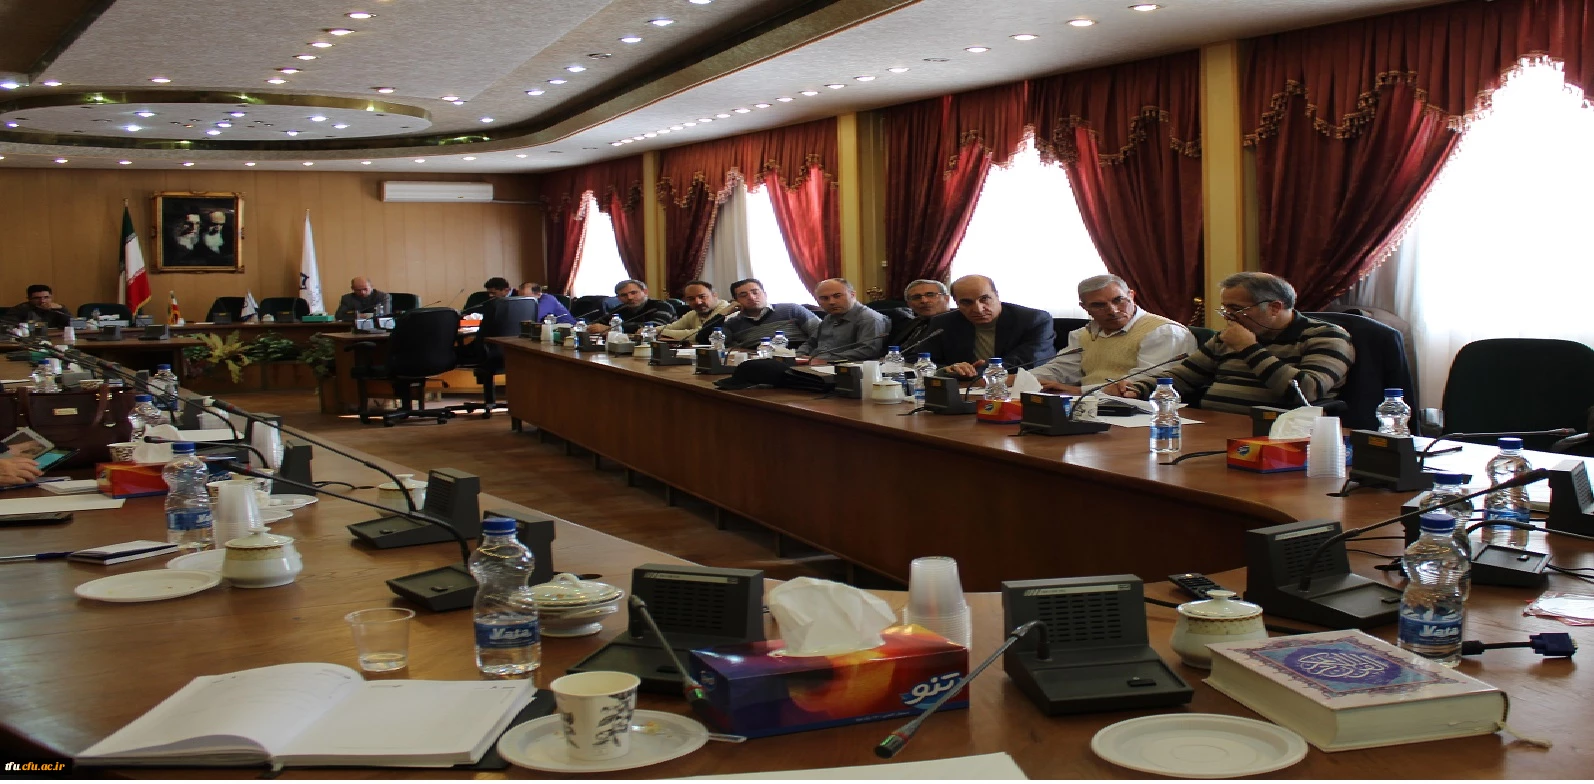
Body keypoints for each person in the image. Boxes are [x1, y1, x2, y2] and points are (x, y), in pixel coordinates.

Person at [1114, 272, 1354, 413]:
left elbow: (1307, 391)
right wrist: (1138, 388)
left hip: (1276, 434)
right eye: (1225, 309)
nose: (1228, 317)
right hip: (1212, 425)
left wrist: (1249, 348)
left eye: (1237, 309)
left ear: (1274, 307)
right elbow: (1184, 376)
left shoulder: (1326, 336)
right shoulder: (1229, 337)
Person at [1030, 274, 1197, 394]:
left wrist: (1077, 391)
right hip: (1090, 406)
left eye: (1118, 300)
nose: (1113, 310)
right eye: (1099, 305)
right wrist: (1023, 379)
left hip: (1146, 411)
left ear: (1131, 295)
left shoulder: (1164, 332)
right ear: (1085, 308)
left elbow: (1146, 382)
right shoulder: (1084, 334)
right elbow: (1060, 369)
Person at [919, 275, 1055, 379]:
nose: (978, 309)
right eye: (967, 302)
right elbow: (920, 360)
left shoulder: (1034, 320)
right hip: (962, 390)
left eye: (984, 299)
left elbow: (1025, 362)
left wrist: (971, 372)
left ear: (997, 295)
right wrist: (948, 369)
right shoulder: (943, 323)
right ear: (956, 302)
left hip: (1020, 387)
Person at [796, 278, 889, 364]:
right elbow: (811, 343)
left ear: (852, 295)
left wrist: (823, 359)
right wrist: (798, 356)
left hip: (843, 367)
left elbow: (867, 351)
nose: (831, 302)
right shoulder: (829, 317)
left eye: (837, 296)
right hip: (814, 364)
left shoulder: (869, 318)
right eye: (824, 298)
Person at [708, 278, 818, 348]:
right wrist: (723, 313)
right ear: (735, 301)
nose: (751, 297)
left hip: (798, 357)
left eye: (755, 292)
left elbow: (821, 333)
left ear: (765, 294)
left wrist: (804, 353)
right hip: (757, 362)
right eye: (743, 295)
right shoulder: (733, 323)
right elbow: (706, 339)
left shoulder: (791, 309)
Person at [883, 279, 953, 357]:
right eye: (916, 297)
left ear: (946, 298)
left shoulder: (956, 324)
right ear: (909, 304)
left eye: (930, 295)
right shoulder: (910, 323)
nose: (924, 300)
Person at [586, 280, 675, 334]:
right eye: (624, 295)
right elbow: (597, 323)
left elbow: (655, 327)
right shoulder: (621, 309)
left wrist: (610, 329)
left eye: (633, 293)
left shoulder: (662, 306)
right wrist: (591, 327)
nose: (629, 297)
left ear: (645, 292)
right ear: (618, 298)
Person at [658, 280, 736, 341]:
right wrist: (653, 330)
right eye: (691, 299)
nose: (698, 302)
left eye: (702, 297)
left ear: (715, 295)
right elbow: (672, 327)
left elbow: (700, 333)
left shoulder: (727, 310)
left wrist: (661, 332)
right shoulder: (694, 313)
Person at [6, 285, 72, 329]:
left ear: (51, 297)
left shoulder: (58, 308)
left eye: (46, 297)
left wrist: (62, 309)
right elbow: (7, 326)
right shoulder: (20, 309)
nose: (42, 301)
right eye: (37, 298)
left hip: (56, 338)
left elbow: (73, 325)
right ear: (29, 299)